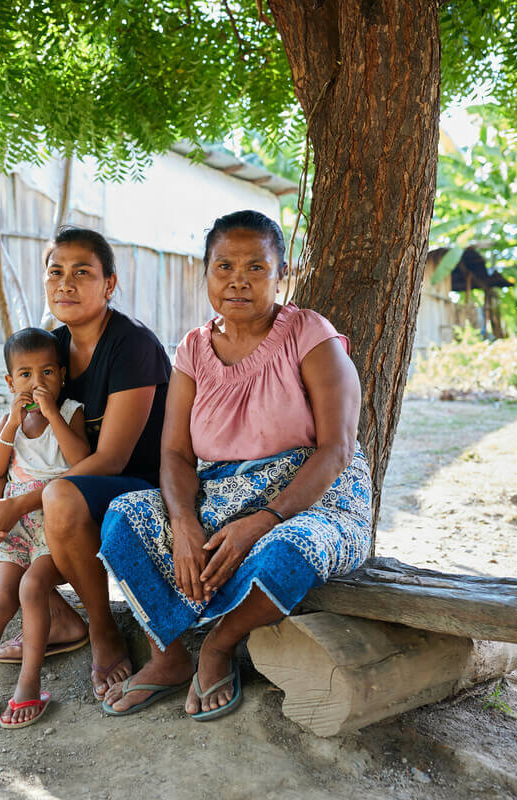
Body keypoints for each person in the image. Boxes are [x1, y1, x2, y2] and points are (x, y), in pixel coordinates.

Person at [97, 210, 373, 721]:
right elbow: (176, 453)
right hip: (222, 491)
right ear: (205, 273)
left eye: (256, 268)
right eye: (223, 266)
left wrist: (263, 521)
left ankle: (219, 646)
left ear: (281, 274)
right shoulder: (193, 349)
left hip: (317, 496)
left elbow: (336, 449)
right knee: (124, 516)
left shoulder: (310, 334)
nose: (238, 280)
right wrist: (182, 522)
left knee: (291, 550)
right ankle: (168, 655)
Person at [0, 226, 171, 706]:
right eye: (55, 273)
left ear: (109, 284)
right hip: (58, 479)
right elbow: (26, 438)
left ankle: (103, 629)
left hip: (133, 484)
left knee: (59, 497)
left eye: (82, 273)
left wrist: (20, 503)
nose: (65, 284)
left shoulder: (132, 347)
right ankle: (59, 619)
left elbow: (108, 459)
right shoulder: (49, 345)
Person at [0, 327, 91, 733]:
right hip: (18, 525)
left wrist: (54, 414)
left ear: (61, 375)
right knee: (1, 593)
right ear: (11, 383)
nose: (37, 384)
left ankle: (29, 683)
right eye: (25, 376)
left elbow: (81, 460)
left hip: (54, 523)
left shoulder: (72, 411)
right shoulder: (11, 421)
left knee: (30, 588)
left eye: (46, 373)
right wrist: (10, 424)